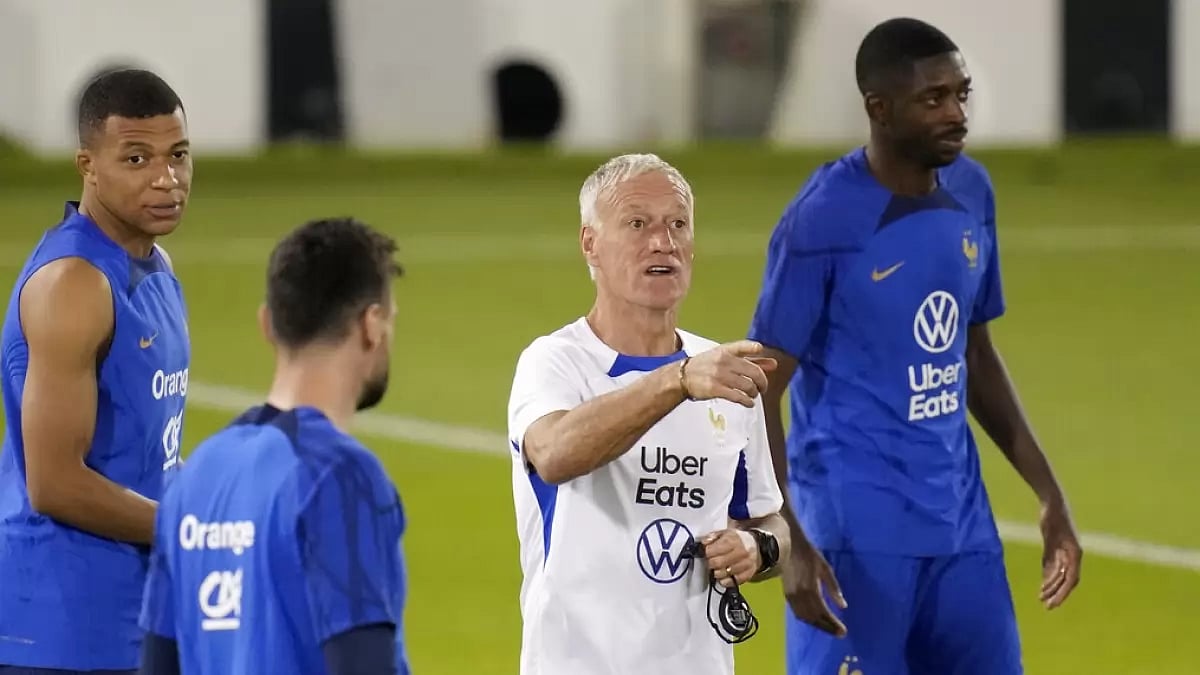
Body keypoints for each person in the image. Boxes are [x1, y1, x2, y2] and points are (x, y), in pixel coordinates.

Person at [747, 17, 1084, 675]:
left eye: (961, 94)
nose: (957, 114)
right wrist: (783, 530)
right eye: (934, 99)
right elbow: (758, 386)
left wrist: (1049, 492)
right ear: (879, 109)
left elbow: (974, 350)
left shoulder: (971, 192)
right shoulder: (821, 221)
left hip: (963, 536)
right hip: (853, 541)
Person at [506, 153, 792, 675]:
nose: (663, 241)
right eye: (637, 223)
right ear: (590, 243)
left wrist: (757, 547)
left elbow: (771, 518)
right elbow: (553, 454)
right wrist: (678, 380)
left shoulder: (723, 372)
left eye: (677, 223)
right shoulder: (555, 363)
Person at [136, 217, 410, 675]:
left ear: (267, 323)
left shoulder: (196, 476)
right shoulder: (339, 476)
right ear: (372, 325)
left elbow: (158, 664)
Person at [0, 68, 192, 674]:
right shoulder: (74, 284)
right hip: (60, 627)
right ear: (88, 164)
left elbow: (148, 448)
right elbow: (54, 482)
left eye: (178, 156)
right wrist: (191, 529)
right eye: (136, 159)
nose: (167, 179)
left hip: (133, 609)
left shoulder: (155, 264)